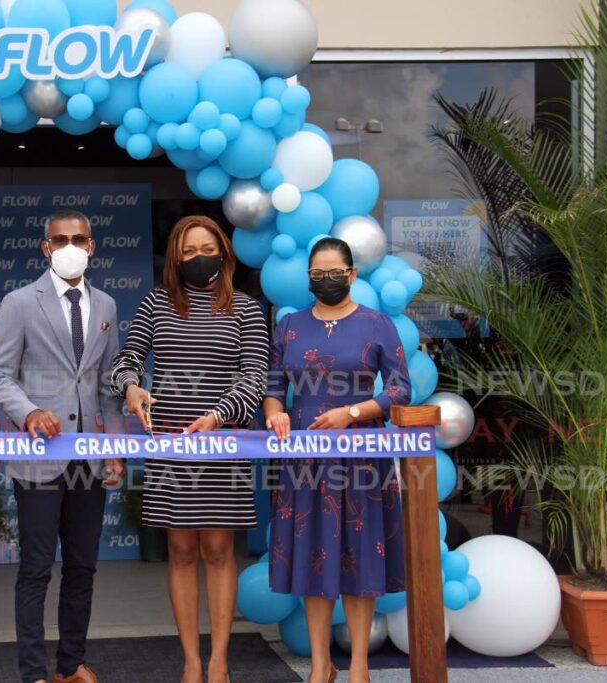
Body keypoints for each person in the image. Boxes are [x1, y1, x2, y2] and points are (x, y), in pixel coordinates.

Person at [112, 216, 268, 683]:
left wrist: (219, 416)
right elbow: (127, 358)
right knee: (180, 550)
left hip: (223, 442)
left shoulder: (247, 309)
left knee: (220, 549)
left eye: (207, 247)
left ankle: (219, 661)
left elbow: (255, 376)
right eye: (188, 251)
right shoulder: (156, 304)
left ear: (224, 250)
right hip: (171, 442)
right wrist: (131, 388)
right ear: (176, 260)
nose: (200, 257)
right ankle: (190, 661)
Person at [0, 209, 124, 683]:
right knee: (36, 570)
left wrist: (116, 447)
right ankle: (33, 673)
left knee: (83, 568)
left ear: (92, 246)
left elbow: (107, 384)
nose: (70, 246)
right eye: (60, 239)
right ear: (46, 248)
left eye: (78, 238)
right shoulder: (19, 302)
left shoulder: (105, 305)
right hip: (38, 458)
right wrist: (27, 413)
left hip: (88, 458)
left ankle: (70, 664)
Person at [263, 237, 412, 683]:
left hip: (363, 458)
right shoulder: (288, 326)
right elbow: (273, 390)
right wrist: (276, 416)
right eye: (316, 274)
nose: (325, 280)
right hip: (305, 461)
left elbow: (401, 390)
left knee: (360, 554)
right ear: (308, 278)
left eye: (334, 273)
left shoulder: (376, 324)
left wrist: (353, 412)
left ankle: (360, 667)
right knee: (314, 556)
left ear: (351, 274)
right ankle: (319, 665)